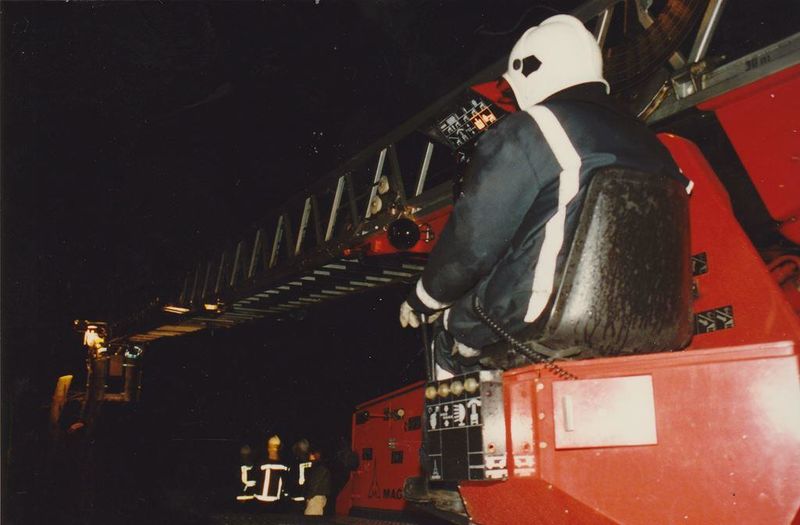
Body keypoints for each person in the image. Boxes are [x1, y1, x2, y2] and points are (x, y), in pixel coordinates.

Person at [399, 14, 690, 376]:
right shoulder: (656, 148)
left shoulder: (534, 127)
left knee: (450, 334)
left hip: (543, 318)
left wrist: (425, 298)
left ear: (529, 70)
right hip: (654, 327)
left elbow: (474, 240)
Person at [303, 448, 331, 516]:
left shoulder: (319, 469)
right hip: (317, 496)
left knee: (311, 517)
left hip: (315, 498)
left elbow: (315, 483)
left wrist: (309, 495)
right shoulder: (320, 467)